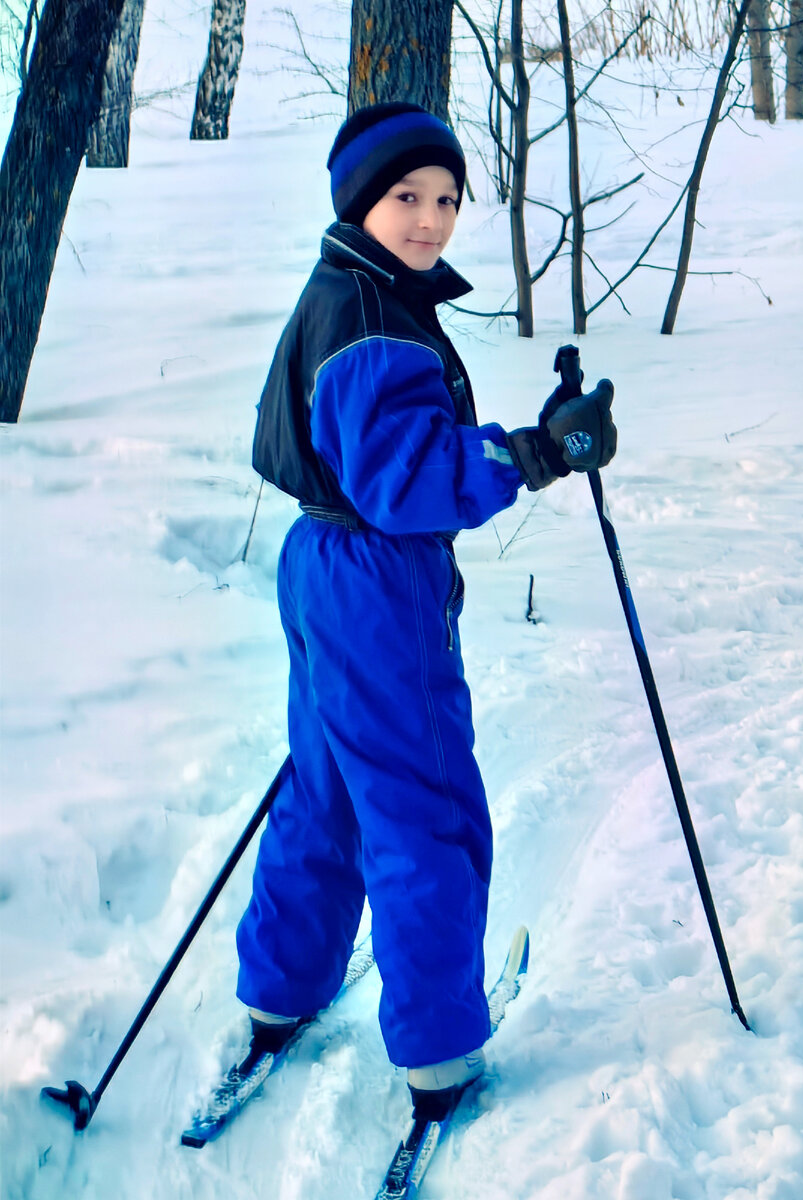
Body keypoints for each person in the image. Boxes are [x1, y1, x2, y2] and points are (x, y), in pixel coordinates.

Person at [236, 102, 617, 1119]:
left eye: (446, 198)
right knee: (423, 807)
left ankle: (279, 994)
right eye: (406, 196)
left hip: (323, 568)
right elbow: (404, 478)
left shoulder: (351, 292)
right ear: (361, 200)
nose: (430, 219)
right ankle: (441, 1051)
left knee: (327, 790)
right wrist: (538, 453)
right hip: (376, 581)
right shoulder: (369, 321)